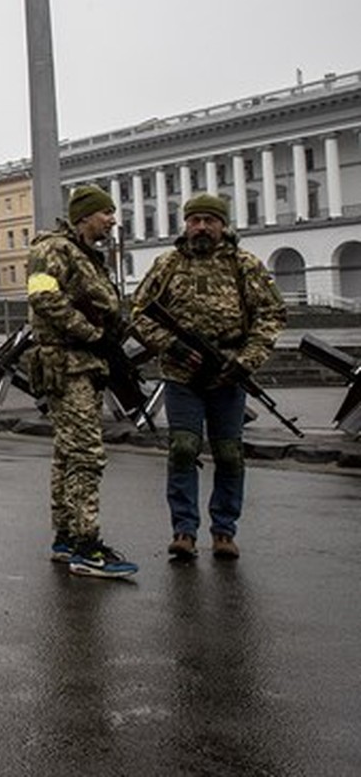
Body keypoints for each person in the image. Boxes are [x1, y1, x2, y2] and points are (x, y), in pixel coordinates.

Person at [131, 193, 286, 561]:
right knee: (183, 448)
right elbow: (139, 312)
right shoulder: (167, 264)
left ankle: (224, 531)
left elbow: (271, 314)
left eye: (209, 220)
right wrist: (172, 345)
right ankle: (183, 530)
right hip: (182, 374)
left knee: (229, 454)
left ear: (223, 225)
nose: (201, 227)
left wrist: (246, 360)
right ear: (185, 224)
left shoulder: (244, 265)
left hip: (227, 375)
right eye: (194, 220)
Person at [24, 184, 138, 579]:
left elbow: (107, 309)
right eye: (106, 213)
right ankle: (87, 546)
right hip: (67, 362)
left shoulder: (89, 257)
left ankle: (67, 538)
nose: (111, 220)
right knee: (87, 453)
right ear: (85, 215)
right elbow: (43, 297)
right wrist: (92, 334)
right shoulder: (52, 248)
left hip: (87, 364)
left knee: (68, 453)